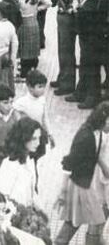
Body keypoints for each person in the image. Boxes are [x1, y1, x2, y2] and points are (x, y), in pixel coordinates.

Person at [54, 102, 109, 245]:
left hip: (87, 183)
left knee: (94, 221)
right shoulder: (85, 136)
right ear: (104, 120)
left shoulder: (97, 132)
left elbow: (93, 153)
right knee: (75, 222)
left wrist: (103, 168)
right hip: (80, 185)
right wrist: (63, 190)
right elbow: (68, 163)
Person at [66, 0, 109, 110]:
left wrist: (76, 8)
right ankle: (81, 91)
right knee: (85, 65)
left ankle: (92, 97)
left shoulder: (96, 0)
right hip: (91, 38)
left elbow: (85, 17)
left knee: (91, 68)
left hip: (92, 39)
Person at [49, 0, 81, 96]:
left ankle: (68, 84)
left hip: (67, 19)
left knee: (67, 51)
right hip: (62, 18)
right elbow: (54, 2)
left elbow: (75, 5)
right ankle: (63, 77)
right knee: (62, 50)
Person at [0, 117, 42, 206]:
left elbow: (31, 191)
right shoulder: (9, 165)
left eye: (39, 138)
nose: (38, 143)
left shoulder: (30, 160)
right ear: (23, 138)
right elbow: (1, 198)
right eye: (34, 139)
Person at [17, 0, 51, 78]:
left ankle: (24, 69)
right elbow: (49, 3)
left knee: (24, 46)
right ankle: (33, 65)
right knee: (32, 46)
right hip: (34, 22)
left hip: (23, 23)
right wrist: (38, 9)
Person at [14, 69, 54, 150]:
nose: (43, 89)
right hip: (26, 139)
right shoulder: (22, 102)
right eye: (39, 86)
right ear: (30, 87)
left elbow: (45, 118)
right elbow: (12, 114)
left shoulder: (42, 100)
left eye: (44, 86)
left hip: (39, 135)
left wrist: (50, 134)